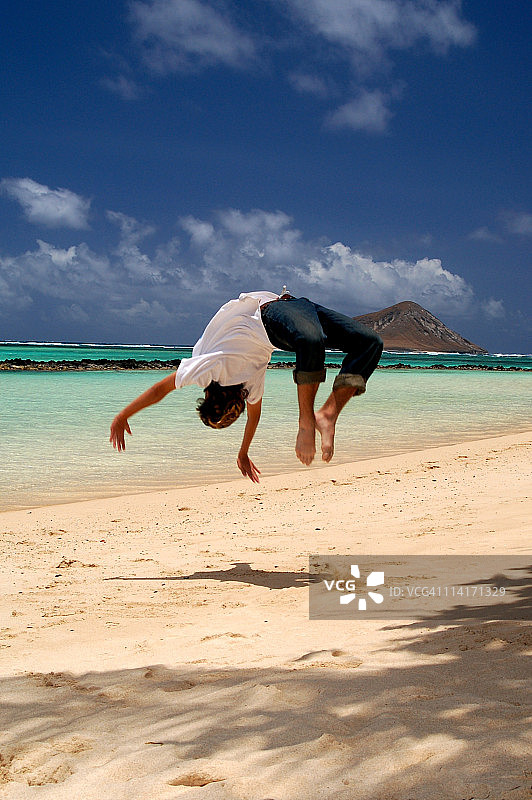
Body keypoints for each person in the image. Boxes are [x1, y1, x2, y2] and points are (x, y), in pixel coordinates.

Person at [109, 290, 383, 482]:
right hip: (291, 317)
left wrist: (123, 415)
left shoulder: (209, 370)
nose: (232, 416)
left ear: (211, 397)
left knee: (322, 341)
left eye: (224, 416)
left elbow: (161, 389)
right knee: (367, 343)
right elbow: (254, 417)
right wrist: (242, 452)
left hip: (269, 315)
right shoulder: (249, 387)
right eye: (230, 419)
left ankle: (306, 422)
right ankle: (327, 415)